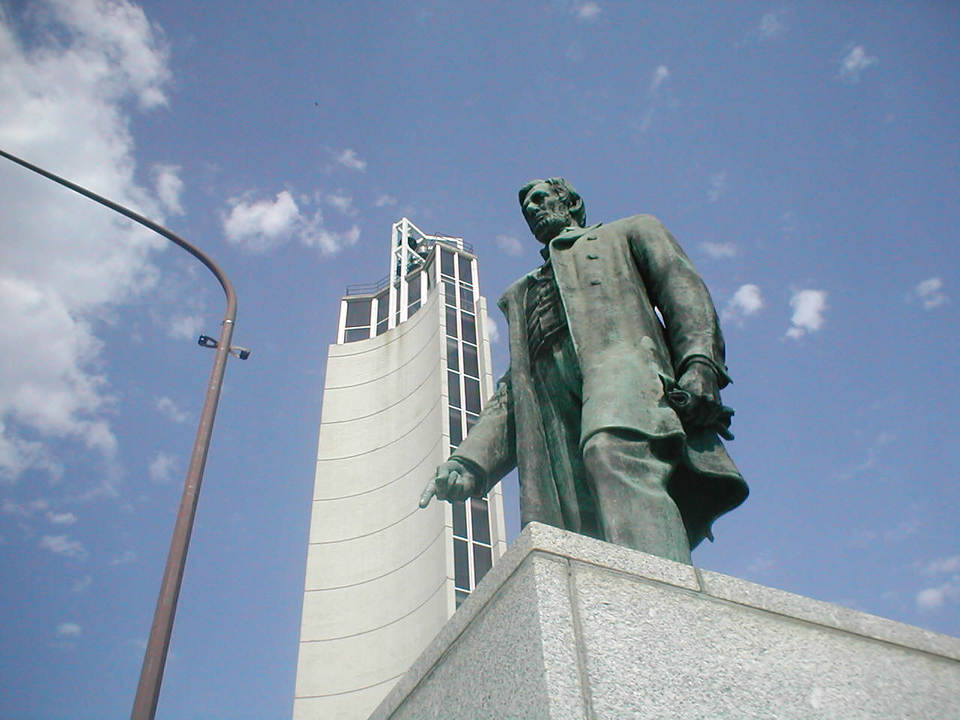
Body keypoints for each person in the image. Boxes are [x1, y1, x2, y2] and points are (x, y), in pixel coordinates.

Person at [419, 178, 747, 564]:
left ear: (571, 202)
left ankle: (657, 597)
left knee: (612, 451)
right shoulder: (524, 291)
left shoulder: (629, 231)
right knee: (574, 518)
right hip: (552, 405)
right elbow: (514, 390)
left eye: (541, 200)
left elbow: (682, 291)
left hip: (625, 372)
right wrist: (469, 462)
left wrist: (700, 362)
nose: (534, 211)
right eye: (527, 210)